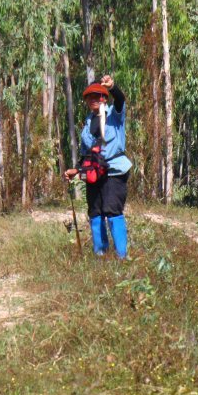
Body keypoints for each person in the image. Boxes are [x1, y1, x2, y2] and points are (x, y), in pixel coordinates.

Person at [63, 75, 132, 258]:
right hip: (93, 174)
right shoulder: (87, 124)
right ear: (86, 100)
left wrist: (112, 87)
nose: (94, 99)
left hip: (114, 171)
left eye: (98, 95)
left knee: (112, 210)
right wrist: (76, 170)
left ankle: (121, 257)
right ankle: (100, 255)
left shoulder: (113, 115)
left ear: (104, 98)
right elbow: (87, 152)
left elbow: (120, 99)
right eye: (90, 96)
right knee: (95, 212)